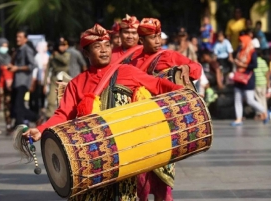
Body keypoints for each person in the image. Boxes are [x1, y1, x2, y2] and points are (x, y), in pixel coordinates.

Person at [22, 23, 183, 201]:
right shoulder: (77, 83)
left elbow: (158, 85)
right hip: (92, 158)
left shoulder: (127, 72)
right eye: (97, 47)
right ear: (86, 53)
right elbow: (63, 114)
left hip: (125, 156)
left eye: (107, 45)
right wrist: (41, 129)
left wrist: (182, 92)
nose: (104, 50)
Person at [129, 18, 201, 201]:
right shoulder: (132, 60)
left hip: (163, 124)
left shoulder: (168, 56)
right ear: (141, 40)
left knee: (163, 184)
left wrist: (186, 68)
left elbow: (196, 68)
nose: (158, 41)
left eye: (159, 36)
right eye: (152, 37)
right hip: (140, 124)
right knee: (140, 179)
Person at [9, 29, 41, 130]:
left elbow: (33, 65)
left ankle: (34, 117)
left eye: (20, 37)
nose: (17, 39)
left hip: (23, 81)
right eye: (17, 37)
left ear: (25, 39)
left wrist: (17, 68)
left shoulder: (27, 49)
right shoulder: (19, 50)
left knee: (19, 105)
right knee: (16, 105)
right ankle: (18, 124)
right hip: (17, 81)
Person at [231, 35, 267, 126]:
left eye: (242, 42)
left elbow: (254, 65)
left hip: (248, 79)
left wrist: (243, 65)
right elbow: (237, 60)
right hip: (239, 77)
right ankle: (238, 119)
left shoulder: (252, 52)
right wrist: (236, 62)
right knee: (237, 99)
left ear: (246, 42)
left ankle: (264, 111)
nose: (240, 44)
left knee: (250, 100)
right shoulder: (240, 51)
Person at [44, 38, 70, 119]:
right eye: (61, 45)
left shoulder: (67, 54)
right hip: (54, 79)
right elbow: (47, 70)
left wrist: (57, 55)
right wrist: (44, 84)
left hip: (64, 78)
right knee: (51, 100)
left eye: (64, 45)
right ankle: (49, 117)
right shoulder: (52, 56)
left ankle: (64, 118)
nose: (63, 47)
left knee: (63, 101)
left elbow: (65, 61)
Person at [0, 38, 13, 134]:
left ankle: (8, 125)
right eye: (3, 46)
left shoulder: (9, 58)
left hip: (7, 85)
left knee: (7, 104)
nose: (5, 48)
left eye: (6, 46)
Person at [31, 41, 49, 114]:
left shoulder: (47, 55)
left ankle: (43, 107)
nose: (46, 48)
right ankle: (37, 109)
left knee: (44, 93)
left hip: (45, 77)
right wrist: (35, 77)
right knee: (38, 93)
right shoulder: (37, 56)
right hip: (39, 78)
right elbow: (36, 68)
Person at [254, 49, 269, 118]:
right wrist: (267, 82)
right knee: (263, 98)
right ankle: (265, 112)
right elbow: (266, 73)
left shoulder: (253, 62)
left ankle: (261, 113)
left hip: (256, 82)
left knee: (258, 98)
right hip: (263, 82)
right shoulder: (263, 62)